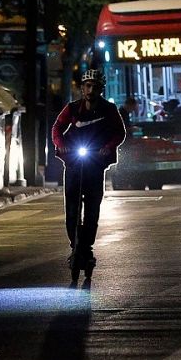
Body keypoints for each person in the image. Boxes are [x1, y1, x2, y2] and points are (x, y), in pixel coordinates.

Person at [50, 68, 127, 273]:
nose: (90, 90)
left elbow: (120, 133)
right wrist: (61, 144)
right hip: (74, 163)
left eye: (94, 87)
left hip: (95, 163)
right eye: (87, 86)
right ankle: (75, 246)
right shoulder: (73, 108)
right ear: (82, 88)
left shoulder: (109, 109)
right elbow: (57, 127)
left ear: (100, 89)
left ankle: (88, 246)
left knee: (92, 207)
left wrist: (107, 147)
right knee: (72, 208)